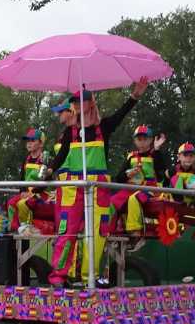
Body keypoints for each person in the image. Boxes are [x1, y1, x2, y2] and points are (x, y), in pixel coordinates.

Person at [47, 81, 146, 285]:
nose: (77, 104)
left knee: (97, 233)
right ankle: (58, 276)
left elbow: (122, 113)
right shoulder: (71, 131)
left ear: (91, 103)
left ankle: (89, 278)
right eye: (75, 101)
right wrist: (49, 170)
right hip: (73, 187)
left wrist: (135, 96)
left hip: (98, 187)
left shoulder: (104, 127)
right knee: (67, 231)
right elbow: (62, 154)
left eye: (81, 101)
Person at [11, 127, 53, 228]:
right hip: (27, 193)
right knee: (11, 203)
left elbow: (46, 181)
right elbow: (22, 179)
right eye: (27, 141)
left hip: (41, 194)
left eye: (32, 140)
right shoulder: (26, 159)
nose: (29, 143)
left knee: (23, 204)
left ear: (41, 144)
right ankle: (14, 229)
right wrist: (22, 192)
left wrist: (32, 192)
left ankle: (26, 228)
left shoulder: (45, 159)